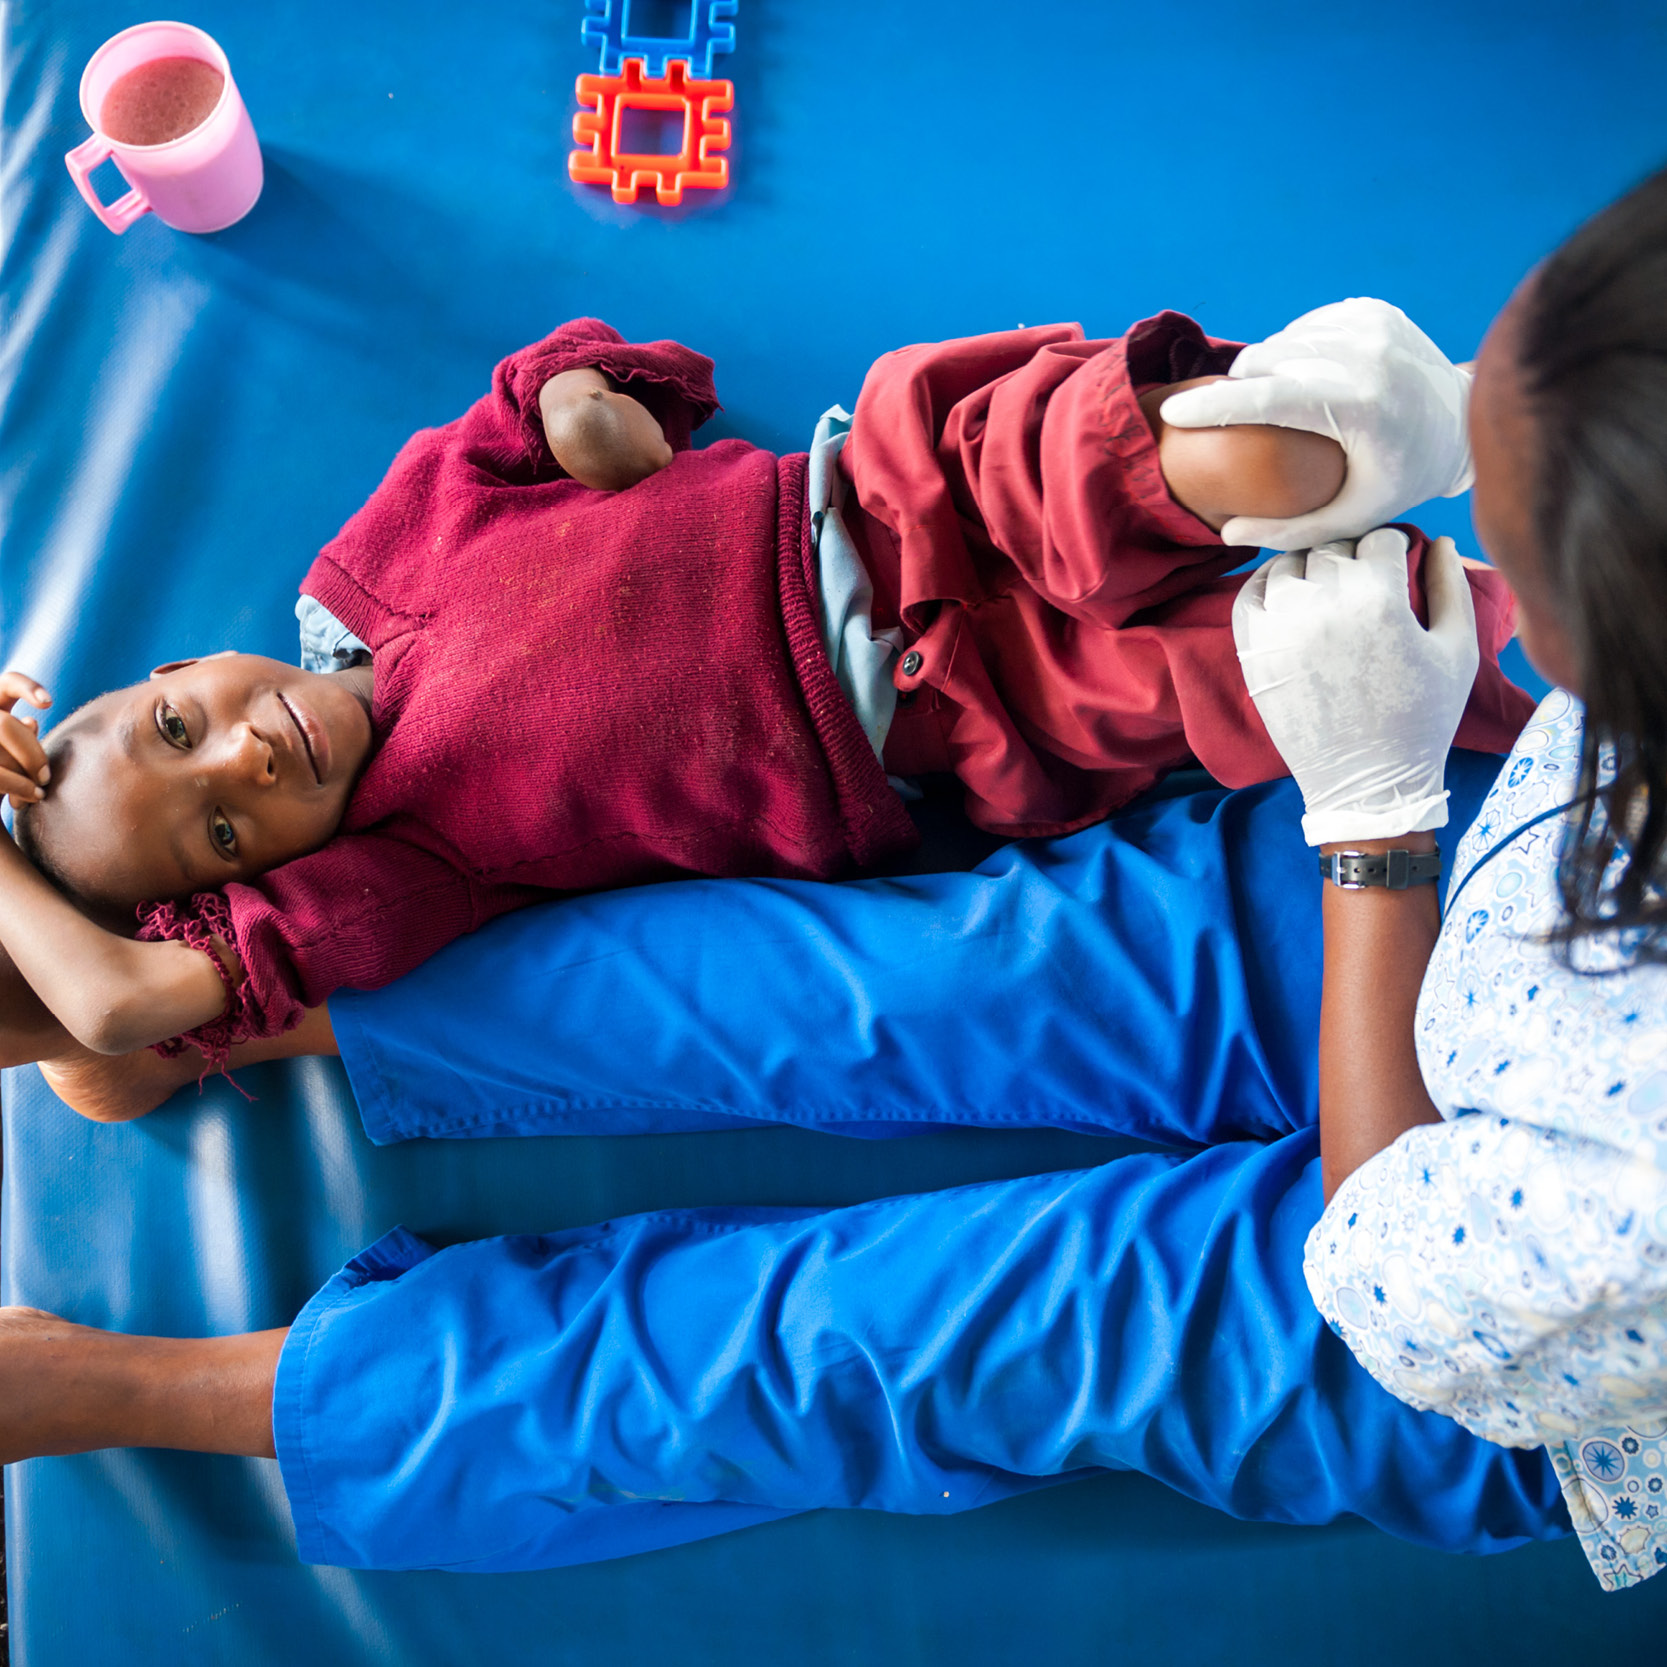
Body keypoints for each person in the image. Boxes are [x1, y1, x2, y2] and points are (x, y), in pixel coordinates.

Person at [11, 165, 1667, 1590]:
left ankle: (145, 1382)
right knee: (889, 988)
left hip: (1492, 1316)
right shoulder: (381, 599)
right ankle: (250, 1018)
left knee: (873, 1336)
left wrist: (1375, 820)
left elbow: (1403, 1290)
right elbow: (541, 403)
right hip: (1482, 903)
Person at [0, 311, 1530, 1075]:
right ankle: (1490, 615)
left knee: (1104, 453)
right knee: (1267, 672)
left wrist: (589, 399)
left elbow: (543, 387)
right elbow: (122, 1009)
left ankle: (1355, 431)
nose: (242, 771)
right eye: (219, 835)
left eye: (182, 731)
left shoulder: (391, 542)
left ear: (177, 668)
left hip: (892, 491)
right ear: (256, 884)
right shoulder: (400, 865)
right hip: (953, 718)